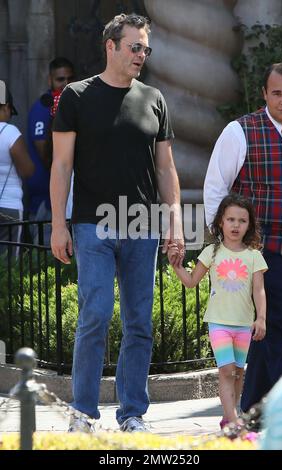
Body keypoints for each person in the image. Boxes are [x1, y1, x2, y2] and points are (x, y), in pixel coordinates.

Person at [50, 13, 184, 433]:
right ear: (110, 46)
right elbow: (61, 164)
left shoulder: (154, 98)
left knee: (139, 322)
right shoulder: (75, 95)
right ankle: (83, 413)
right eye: (135, 47)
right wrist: (58, 224)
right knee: (96, 314)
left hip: (143, 223)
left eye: (146, 48)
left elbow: (166, 169)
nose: (141, 55)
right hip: (93, 224)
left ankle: (131, 414)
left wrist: (174, 222)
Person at [203, 62, 282, 415]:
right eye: (277, 93)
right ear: (264, 94)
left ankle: (252, 407)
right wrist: (225, 247)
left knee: (266, 334)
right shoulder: (239, 131)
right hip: (262, 250)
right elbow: (216, 188)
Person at [168, 194, 267, 427]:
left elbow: (259, 291)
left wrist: (261, 318)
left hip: (244, 324)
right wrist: (177, 267)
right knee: (226, 371)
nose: (235, 225)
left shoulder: (254, 256)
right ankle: (234, 423)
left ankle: (228, 416)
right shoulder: (211, 252)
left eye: (242, 221)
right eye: (230, 219)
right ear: (221, 222)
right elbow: (191, 282)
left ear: (249, 225)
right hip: (219, 323)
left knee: (239, 373)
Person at [27, 57, 74, 243]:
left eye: (70, 79)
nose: (66, 84)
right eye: (60, 79)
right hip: (44, 201)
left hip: (71, 201)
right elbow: (46, 157)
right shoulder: (42, 108)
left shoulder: (74, 105)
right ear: (50, 80)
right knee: (45, 263)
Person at [0, 80, 34, 254]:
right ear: (6, 107)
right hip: (8, 206)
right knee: (9, 265)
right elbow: (27, 170)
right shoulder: (10, 132)